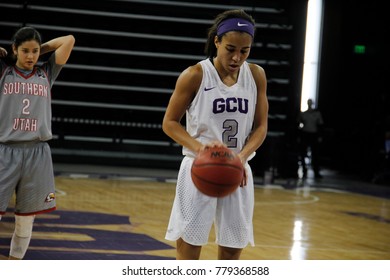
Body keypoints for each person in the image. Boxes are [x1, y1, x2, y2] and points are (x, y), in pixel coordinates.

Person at [162, 9, 268, 260]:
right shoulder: (195, 75)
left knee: (233, 249)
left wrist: (241, 157)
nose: (237, 57)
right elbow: (169, 122)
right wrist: (203, 150)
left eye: (245, 51)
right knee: (189, 247)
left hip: (238, 168)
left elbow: (261, 126)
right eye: (230, 48)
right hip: (199, 166)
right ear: (217, 41)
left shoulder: (255, 75)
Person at [0, 26, 75, 259]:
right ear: (15, 49)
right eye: (25, 51)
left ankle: (14, 264)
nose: (31, 56)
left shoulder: (46, 73)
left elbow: (68, 40)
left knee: (25, 219)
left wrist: (38, 50)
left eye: (34, 52)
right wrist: (10, 55)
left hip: (37, 152)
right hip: (5, 151)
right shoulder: (4, 71)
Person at [297, 98, 324, 179]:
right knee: (303, 153)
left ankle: (316, 171)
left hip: (313, 134)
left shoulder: (317, 114)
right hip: (305, 134)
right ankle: (304, 170)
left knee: (315, 154)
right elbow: (298, 124)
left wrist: (320, 136)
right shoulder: (303, 114)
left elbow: (320, 125)